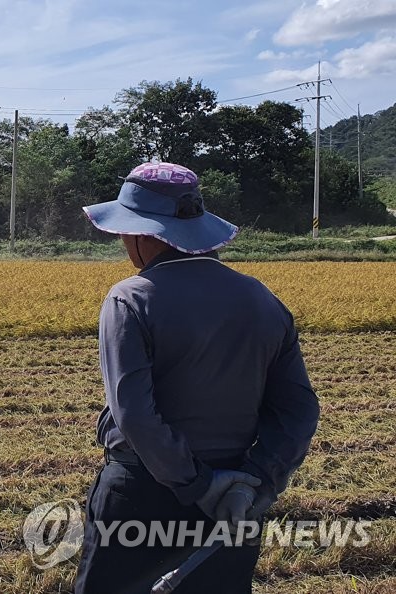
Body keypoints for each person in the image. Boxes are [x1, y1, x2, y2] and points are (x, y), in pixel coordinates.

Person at [73, 162, 320, 593]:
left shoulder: (131, 298)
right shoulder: (263, 300)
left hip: (143, 496)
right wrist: (258, 483)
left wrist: (197, 483)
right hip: (235, 498)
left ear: (142, 235)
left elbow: (135, 415)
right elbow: (299, 409)